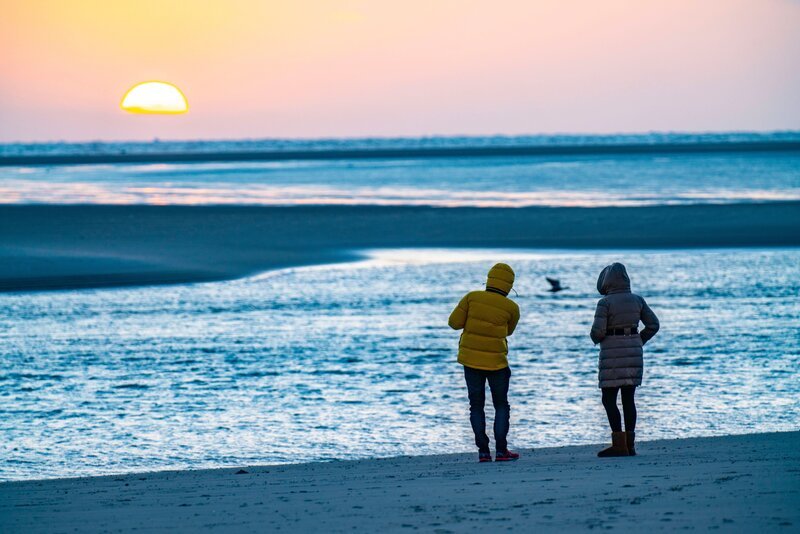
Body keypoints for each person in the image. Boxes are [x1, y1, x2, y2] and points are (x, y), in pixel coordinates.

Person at [448, 263, 521, 463]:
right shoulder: (512, 307)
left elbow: (454, 323)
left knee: (476, 406)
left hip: (470, 362)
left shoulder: (472, 298)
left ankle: (483, 452)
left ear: (489, 279)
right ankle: (501, 451)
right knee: (501, 405)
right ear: (509, 285)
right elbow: (508, 332)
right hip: (497, 362)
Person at [590, 262, 659, 457]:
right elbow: (653, 324)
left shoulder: (604, 303)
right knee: (629, 399)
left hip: (611, 353)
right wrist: (638, 340)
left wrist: (595, 338)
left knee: (608, 398)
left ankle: (618, 443)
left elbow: (598, 331)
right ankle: (630, 445)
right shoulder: (637, 300)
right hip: (633, 352)